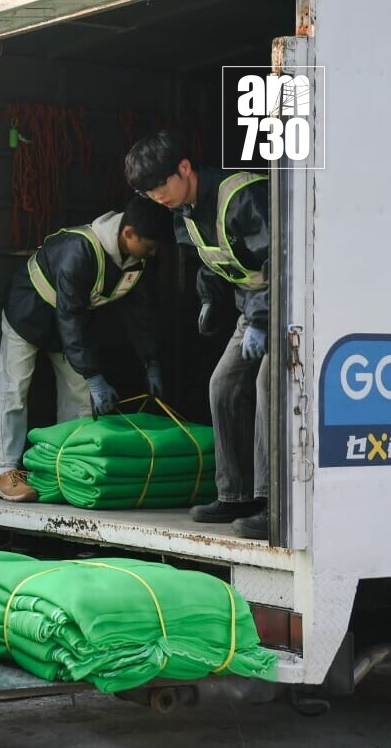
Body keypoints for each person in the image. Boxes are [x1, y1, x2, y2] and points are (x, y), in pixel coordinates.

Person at [126, 132, 271, 539]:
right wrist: (210, 300)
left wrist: (261, 318)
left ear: (184, 169)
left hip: (289, 305)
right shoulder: (185, 212)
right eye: (148, 192)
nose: (157, 197)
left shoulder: (241, 196)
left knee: (268, 384)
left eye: (160, 186)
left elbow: (282, 260)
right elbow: (212, 261)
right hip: (254, 308)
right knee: (223, 385)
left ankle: (271, 502)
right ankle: (236, 494)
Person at [0, 195, 174, 502]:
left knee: (79, 398)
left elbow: (141, 315)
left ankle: (66, 469)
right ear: (128, 233)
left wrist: (151, 361)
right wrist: (93, 374)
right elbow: (71, 315)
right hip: (28, 312)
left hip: (69, 322)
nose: (154, 252)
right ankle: (5, 472)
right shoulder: (79, 250)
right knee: (14, 388)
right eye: (150, 244)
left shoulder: (137, 261)